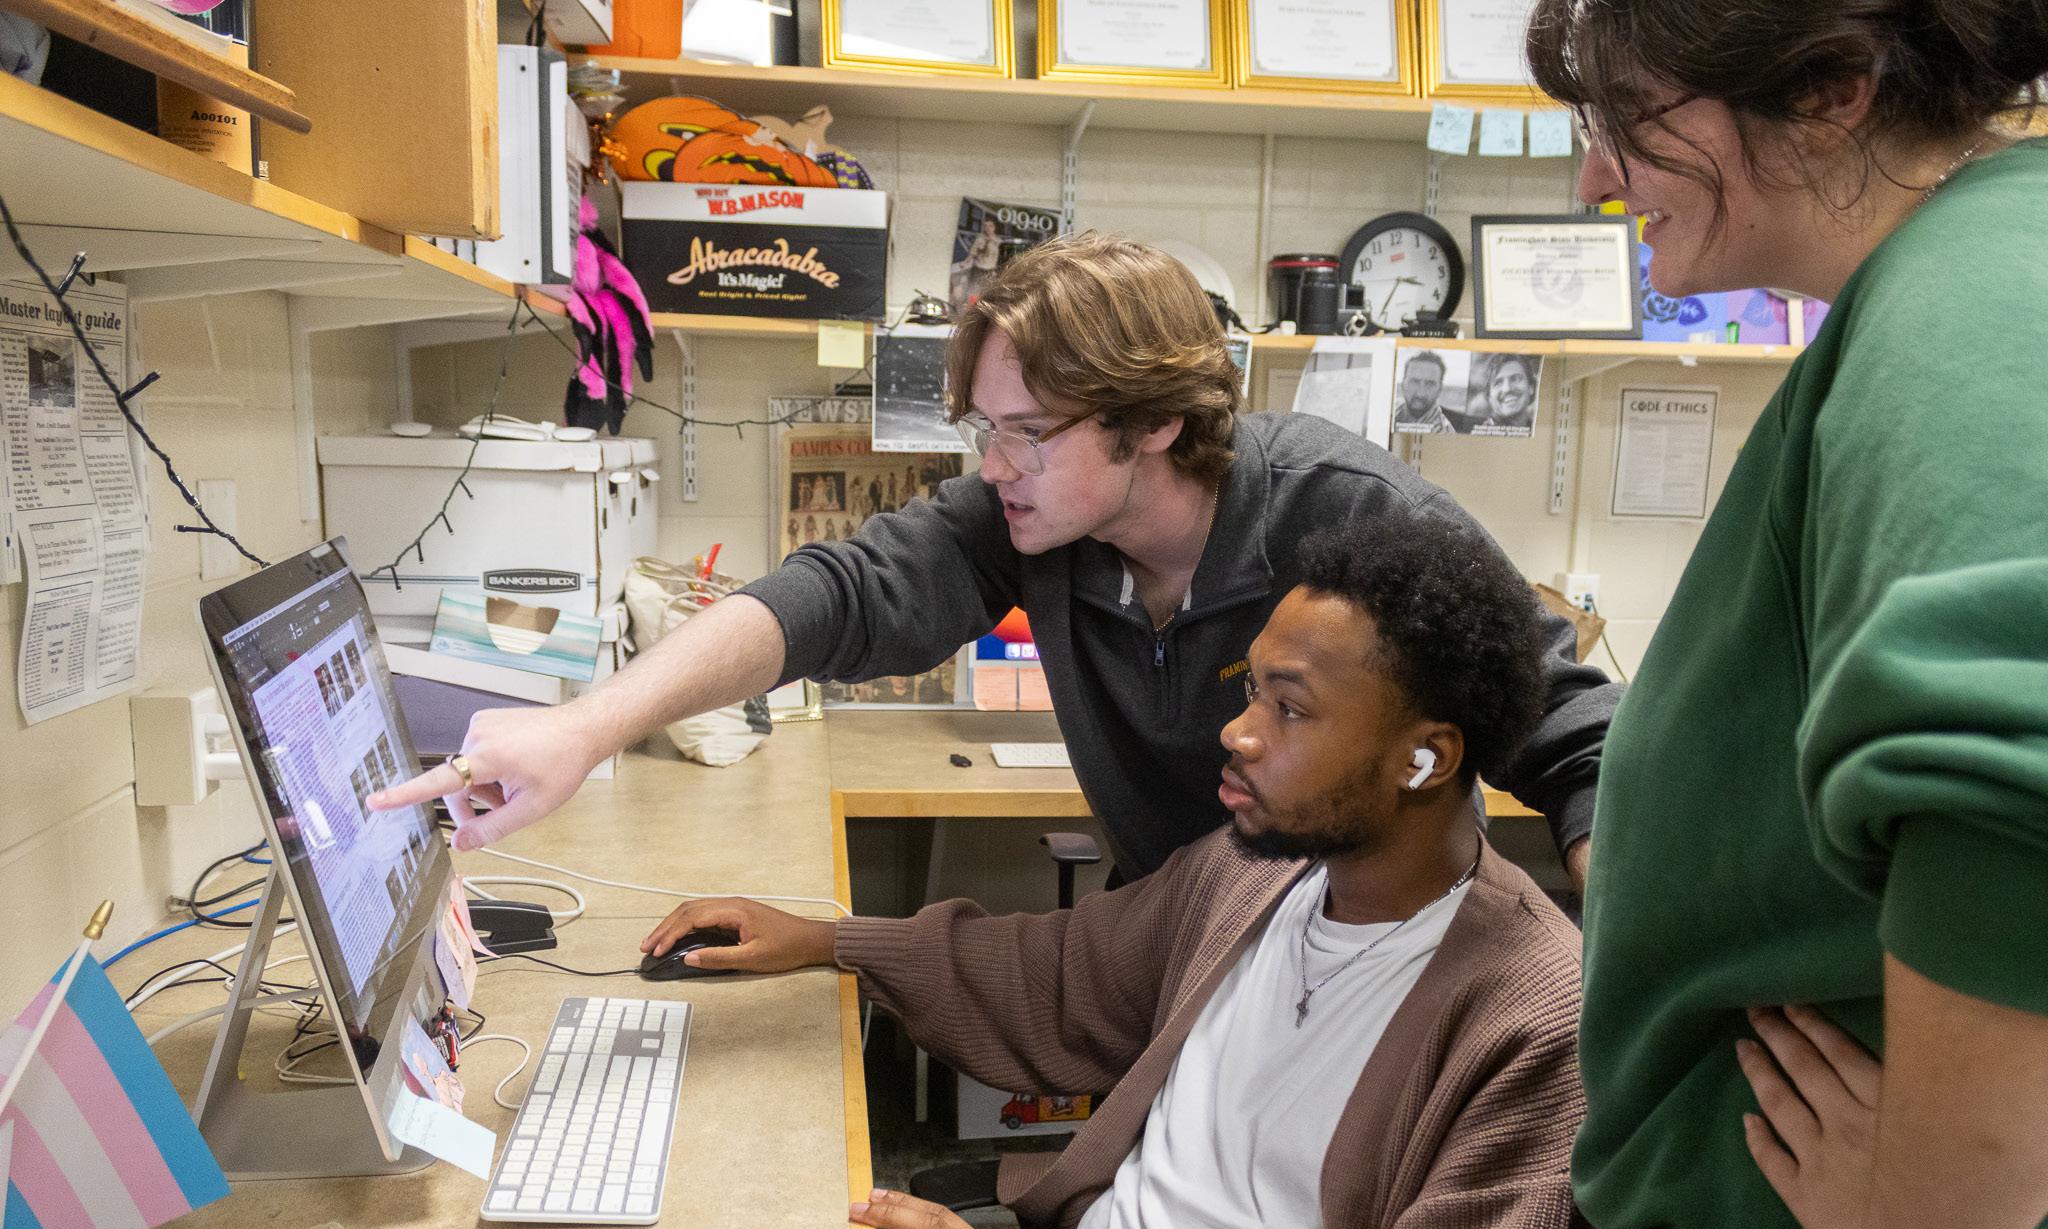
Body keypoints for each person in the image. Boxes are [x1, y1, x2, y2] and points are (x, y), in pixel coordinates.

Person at [370, 232, 1616, 892]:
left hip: (1358, 972)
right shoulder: (1037, 524)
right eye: (983, 429)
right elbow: (831, 597)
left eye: (1027, 431)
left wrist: (1616, 949)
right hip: (1174, 952)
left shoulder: (1344, 512)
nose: (994, 464)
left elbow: (1578, 734)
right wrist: (583, 727)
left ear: (1154, 421)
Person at [643, 509, 1631, 1229]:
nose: (1237, 730)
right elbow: (1051, 971)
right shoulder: (1256, 875)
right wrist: (827, 939)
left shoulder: (1534, 1022)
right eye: (1250, 689)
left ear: (1426, 757)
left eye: (1288, 709)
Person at [1524, 2, 2048, 1229]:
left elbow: (2018, 746)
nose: (1593, 180)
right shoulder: (1951, 281)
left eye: (1626, 120)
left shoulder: (1967, 305)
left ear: (1827, 88)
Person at [1391, 350, 1470, 433]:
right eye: (1414, 382)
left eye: (1430, 384)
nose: (1421, 393)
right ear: (1403, 383)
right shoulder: (1390, 410)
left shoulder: (1444, 433)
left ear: (1440, 388)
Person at [1470, 353, 1537, 434]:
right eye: (1498, 383)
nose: (1507, 389)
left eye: (1515, 379)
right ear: (1488, 396)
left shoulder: (1537, 430)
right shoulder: (1480, 436)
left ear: (1531, 387)